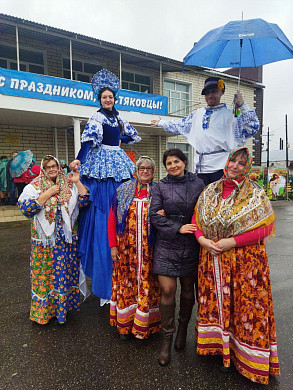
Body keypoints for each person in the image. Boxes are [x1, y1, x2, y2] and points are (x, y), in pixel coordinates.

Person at [193, 148, 280, 385]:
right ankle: (219, 348)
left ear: (248, 167)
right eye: (233, 160)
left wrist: (232, 241)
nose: (235, 166)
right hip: (212, 258)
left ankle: (246, 358)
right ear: (227, 161)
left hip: (245, 263)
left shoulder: (255, 193)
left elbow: (265, 228)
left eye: (242, 164)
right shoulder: (210, 190)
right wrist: (202, 240)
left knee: (246, 308)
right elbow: (196, 220)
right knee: (217, 304)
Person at [70, 69, 141, 304]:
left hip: (117, 156)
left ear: (115, 99)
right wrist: (80, 159)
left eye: (110, 97)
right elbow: (89, 140)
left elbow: (129, 136)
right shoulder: (97, 117)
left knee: (125, 197)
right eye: (104, 97)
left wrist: (121, 135)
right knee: (101, 206)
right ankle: (104, 276)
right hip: (101, 159)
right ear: (99, 100)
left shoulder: (119, 117)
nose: (107, 100)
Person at [18, 155, 89, 325]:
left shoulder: (68, 183)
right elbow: (26, 209)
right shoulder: (33, 186)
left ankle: (61, 310)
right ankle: (44, 313)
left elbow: (84, 201)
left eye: (54, 166)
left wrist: (77, 181)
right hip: (45, 244)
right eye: (47, 166)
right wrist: (48, 193)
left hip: (65, 241)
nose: (51, 169)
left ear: (58, 166)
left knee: (63, 275)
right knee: (44, 276)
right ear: (43, 168)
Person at [150, 148, 205, 366]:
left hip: (191, 243)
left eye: (176, 161)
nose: (173, 166)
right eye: (168, 163)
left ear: (184, 162)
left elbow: (205, 210)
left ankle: (183, 330)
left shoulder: (198, 184)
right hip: (167, 242)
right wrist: (177, 227)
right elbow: (154, 215)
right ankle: (166, 339)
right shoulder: (161, 186)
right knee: (167, 289)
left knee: (188, 288)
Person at [151, 77, 259, 185]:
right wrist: (161, 122)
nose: (210, 96)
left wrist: (242, 105)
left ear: (222, 91)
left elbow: (252, 126)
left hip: (221, 168)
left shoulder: (233, 114)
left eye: (214, 92)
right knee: (201, 200)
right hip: (201, 169)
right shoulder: (197, 114)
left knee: (221, 200)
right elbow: (180, 124)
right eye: (207, 93)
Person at [108, 156, 161, 340]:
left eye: (149, 168)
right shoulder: (122, 191)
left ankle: (145, 324)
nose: (145, 171)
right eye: (141, 168)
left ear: (153, 172)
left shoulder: (158, 192)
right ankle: (125, 324)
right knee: (126, 282)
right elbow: (112, 219)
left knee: (148, 283)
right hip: (126, 248)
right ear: (136, 171)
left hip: (149, 249)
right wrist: (113, 247)